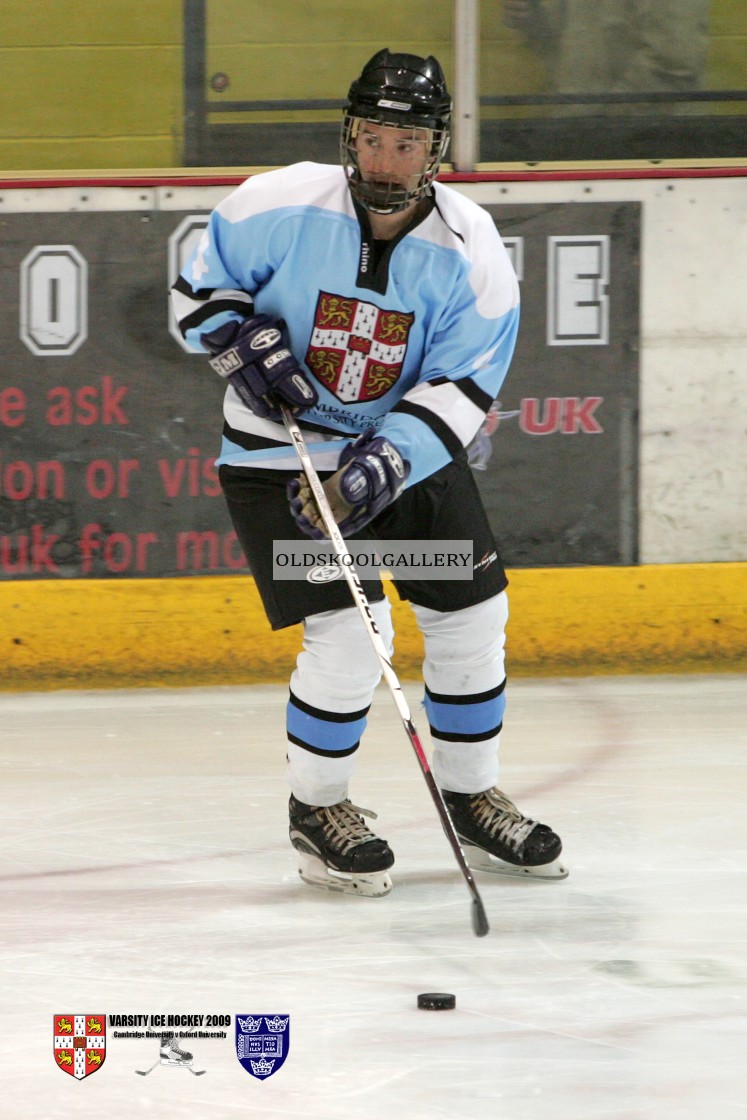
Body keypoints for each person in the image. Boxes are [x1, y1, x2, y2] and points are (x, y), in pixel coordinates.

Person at [171, 49, 566, 898]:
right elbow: (199, 290)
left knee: (468, 609)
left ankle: (470, 795)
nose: (387, 160)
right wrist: (234, 337)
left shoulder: (471, 247)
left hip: (402, 457)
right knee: (353, 635)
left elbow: (465, 384)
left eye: (407, 143)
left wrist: (391, 456)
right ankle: (318, 812)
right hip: (281, 462)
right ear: (350, 137)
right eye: (374, 139)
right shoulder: (273, 203)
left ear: (437, 149)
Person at [502, 0, 710, 114]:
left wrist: (601, 121)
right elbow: (562, 45)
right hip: (582, 127)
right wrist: (531, 16)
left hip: (646, 140)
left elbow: (673, 64)